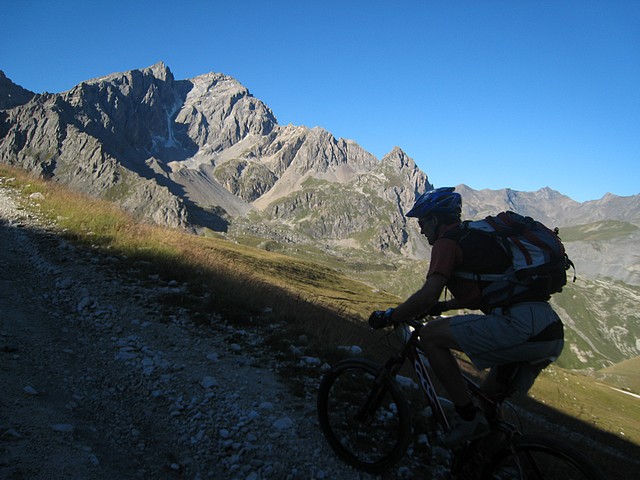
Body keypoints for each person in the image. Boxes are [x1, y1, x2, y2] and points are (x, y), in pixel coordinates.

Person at [370, 187, 564, 447]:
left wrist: (391, 315)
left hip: (519, 325)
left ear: (436, 220)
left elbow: (428, 294)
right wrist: (443, 307)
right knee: (488, 403)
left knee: (429, 336)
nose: (421, 229)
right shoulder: (476, 240)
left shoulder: (446, 243)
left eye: (422, 222)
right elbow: (479, 294)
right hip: (547, 328)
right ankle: (493, 460)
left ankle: (466, 417)